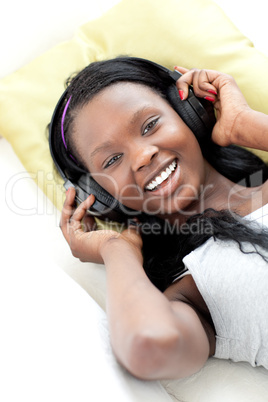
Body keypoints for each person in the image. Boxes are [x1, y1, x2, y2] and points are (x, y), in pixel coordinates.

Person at [50, 57, 268, 380]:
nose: (142, 156)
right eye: (112, 159)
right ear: (101, 195)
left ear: (188, 113)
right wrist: (115, 248)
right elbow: (147, 346)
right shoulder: (193, 292)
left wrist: (242, 123)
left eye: (150, 125)